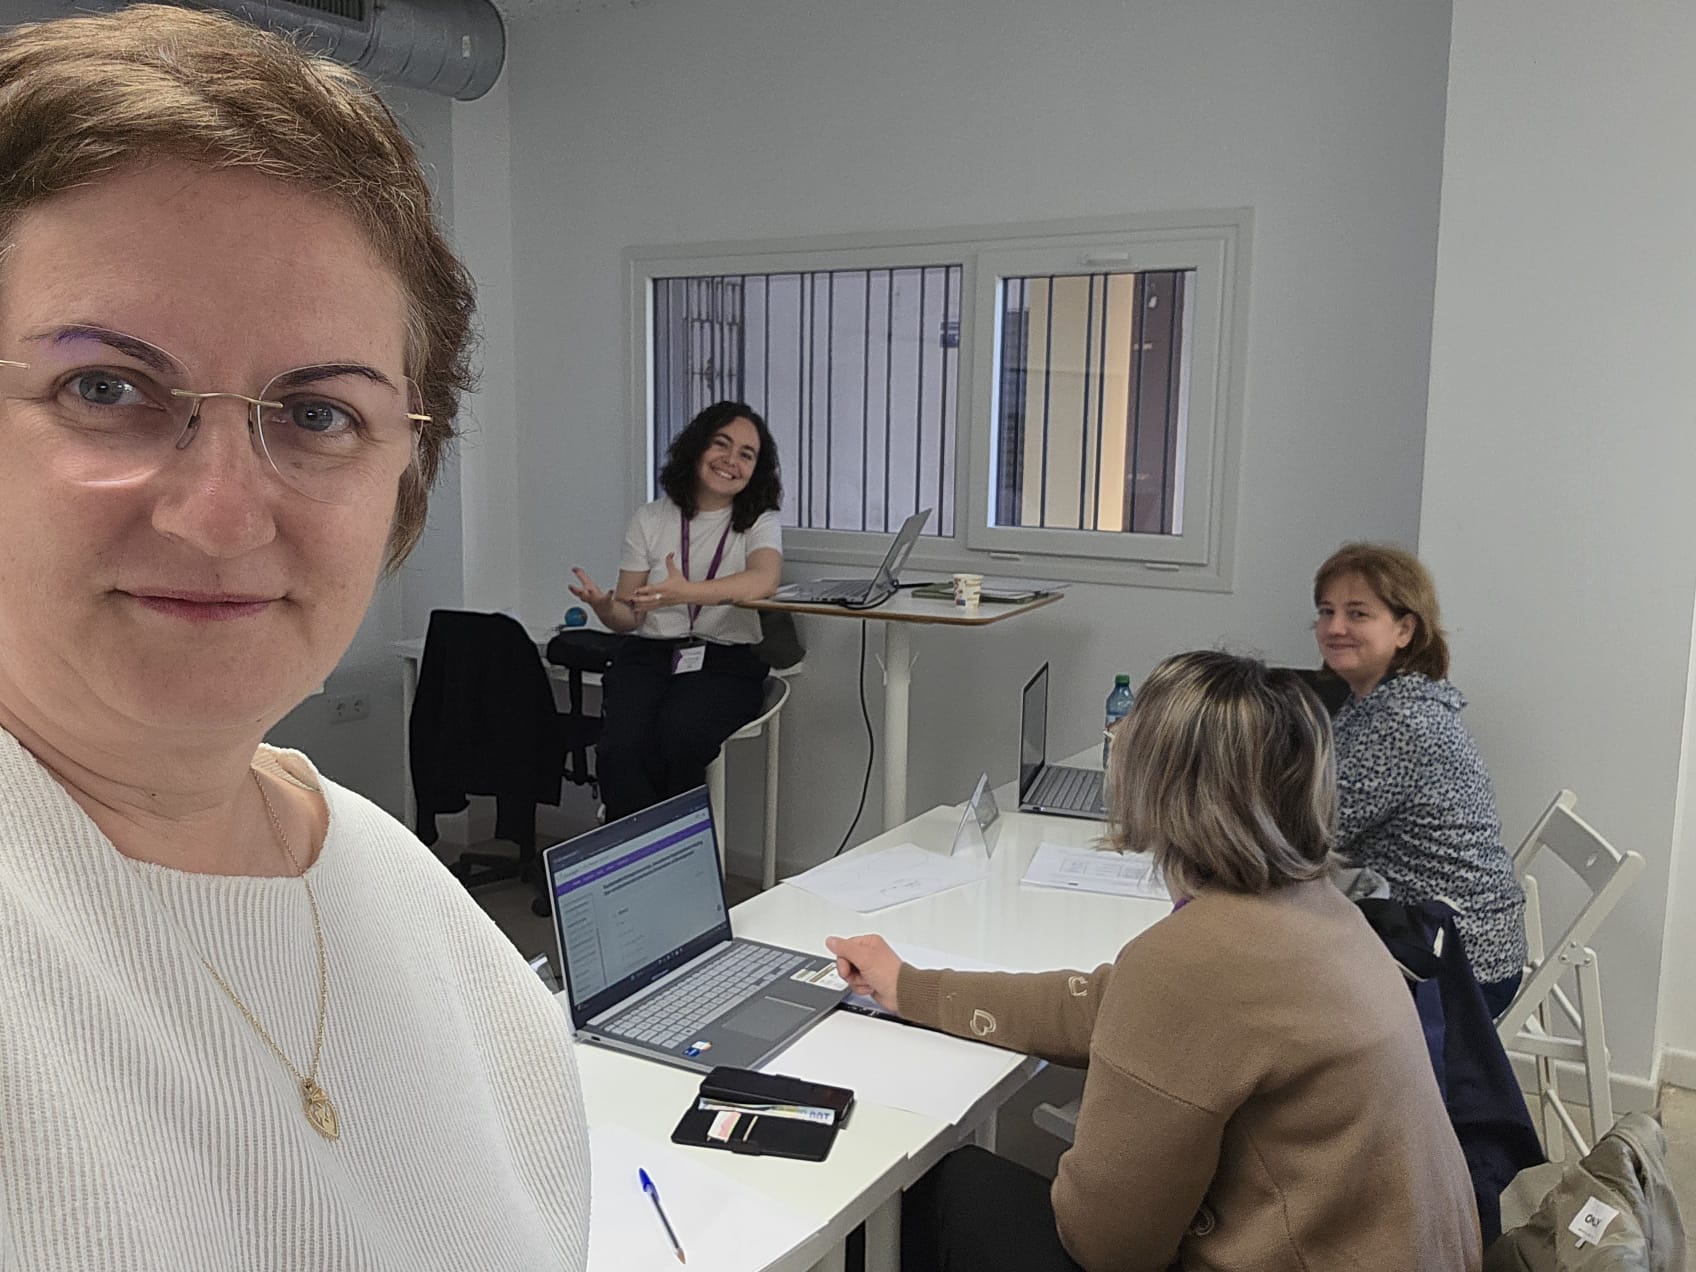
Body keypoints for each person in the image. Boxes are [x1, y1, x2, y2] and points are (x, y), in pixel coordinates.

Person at [0, 9, 589, 1269]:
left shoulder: (406, 896)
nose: (222, 516)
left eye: (319, 412)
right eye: (105, 388)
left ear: (402, 482)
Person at [828, 652, 1482, 1272]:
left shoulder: (1191, 961)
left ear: (1158, 786)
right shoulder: (1320, 908)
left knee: (939, 1191)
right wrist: (912, 987)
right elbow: (1103, 1005)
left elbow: (1109, 1247)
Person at [1314, 542, 1526, 1015]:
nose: (1335, 627)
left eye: (1357, 613)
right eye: (1326, 611)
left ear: (1405, 629)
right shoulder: (1378, 701)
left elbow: (1311, 835)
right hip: (1430, 932)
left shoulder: (1403, 720)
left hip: (1454, 963)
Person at [570, 401, 783, 819]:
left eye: (746, 454)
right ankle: (631, 849)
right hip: (649, 655)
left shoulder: (759, 520)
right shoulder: (650, 518)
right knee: (620, 747)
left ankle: (677, 848)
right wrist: (604, 606)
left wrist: (686, 593)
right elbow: (628, 617)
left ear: (756, 470)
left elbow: (764, 580)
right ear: (697, 446)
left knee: (680, 736)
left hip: (724, 661)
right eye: (721, 444)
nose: (731, 460)